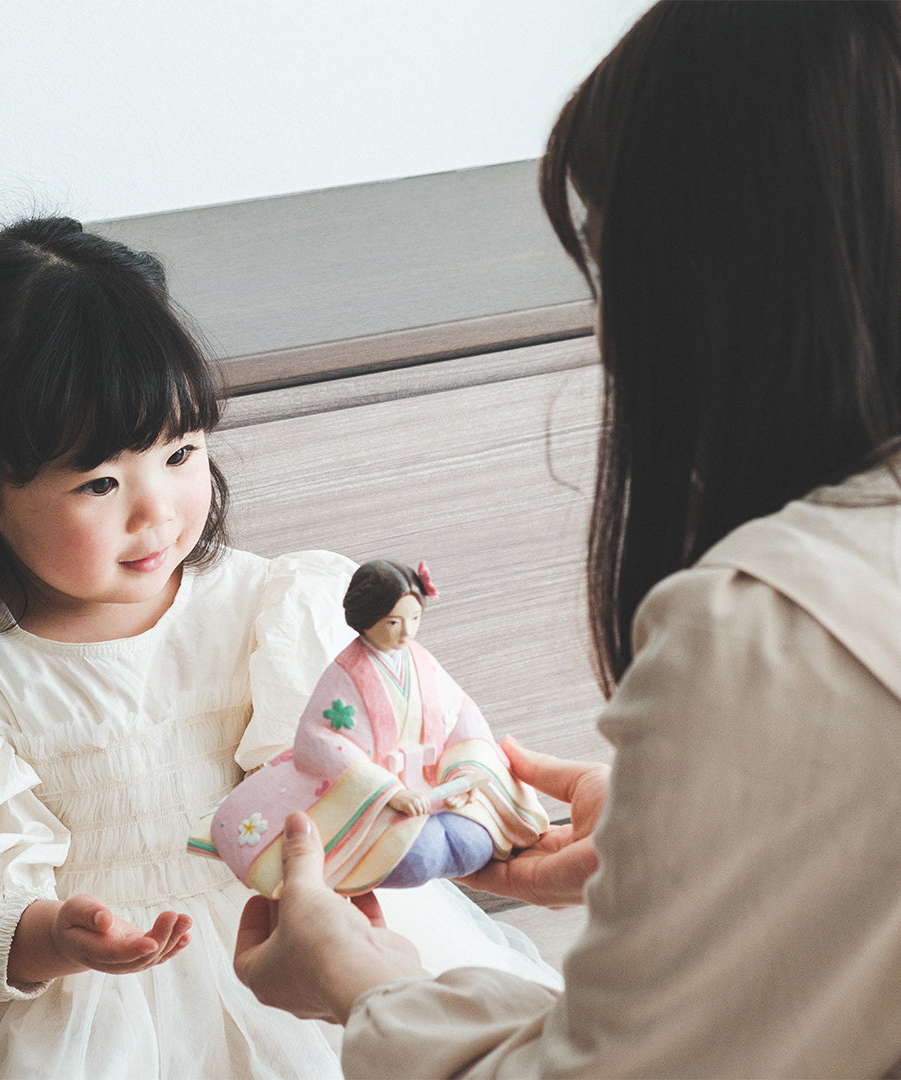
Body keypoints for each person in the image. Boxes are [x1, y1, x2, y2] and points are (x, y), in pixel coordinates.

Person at [233, 2, 901, 1076]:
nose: (606, 330)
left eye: (609, 268)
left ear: (716, 282)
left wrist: (362, 983)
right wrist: (690, 822)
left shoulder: (767, 631)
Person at [0, 217, 559, 1079]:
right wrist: (56, 935)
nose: (158, 512)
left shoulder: (275, 610)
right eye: (101, 482)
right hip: (82, 1018)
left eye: (180, 453)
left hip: (294, 945)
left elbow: (376, 744)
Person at [191, 559, 547, 896]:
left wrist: (463, 775)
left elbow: (461, 713)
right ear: (366, 619)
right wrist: (389, 791)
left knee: (473, 843)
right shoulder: (346, 672)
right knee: (420, 855)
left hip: (436, 783)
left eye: (415, 618)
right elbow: (320, 737)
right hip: (372, 793)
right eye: (393, 622)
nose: (407, 632)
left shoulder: (420, 659)